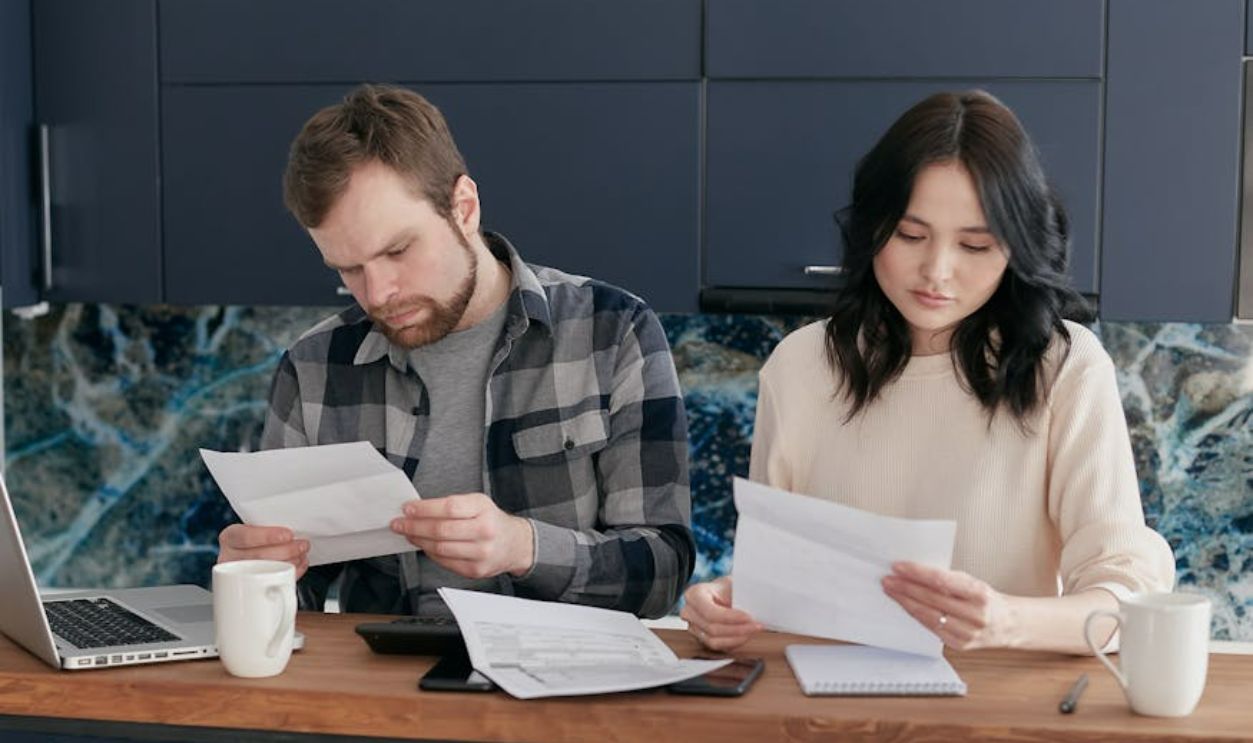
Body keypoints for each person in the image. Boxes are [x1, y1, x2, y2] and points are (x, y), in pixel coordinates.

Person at [681, 90, 1175, 654]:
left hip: (997, 713)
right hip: (825, 712)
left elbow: (1130, 600)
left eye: (975, 244)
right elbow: (783, 578)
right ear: (871, 229)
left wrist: (1006, 621)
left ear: (1017, 249)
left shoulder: (1065, 368)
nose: (937, 271)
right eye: (910, 236)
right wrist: (725, 600)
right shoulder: (800, 367)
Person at [215, 83, 694, 619]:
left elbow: (664, 571)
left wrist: (524, 548)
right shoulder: (315, 366)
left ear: (463, 207)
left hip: (567, 684)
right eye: (348, 269)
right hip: (383, 689)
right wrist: (255, 572)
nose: (377, 294)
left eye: (397, 250)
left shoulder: (612, 332)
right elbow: (293, 599)